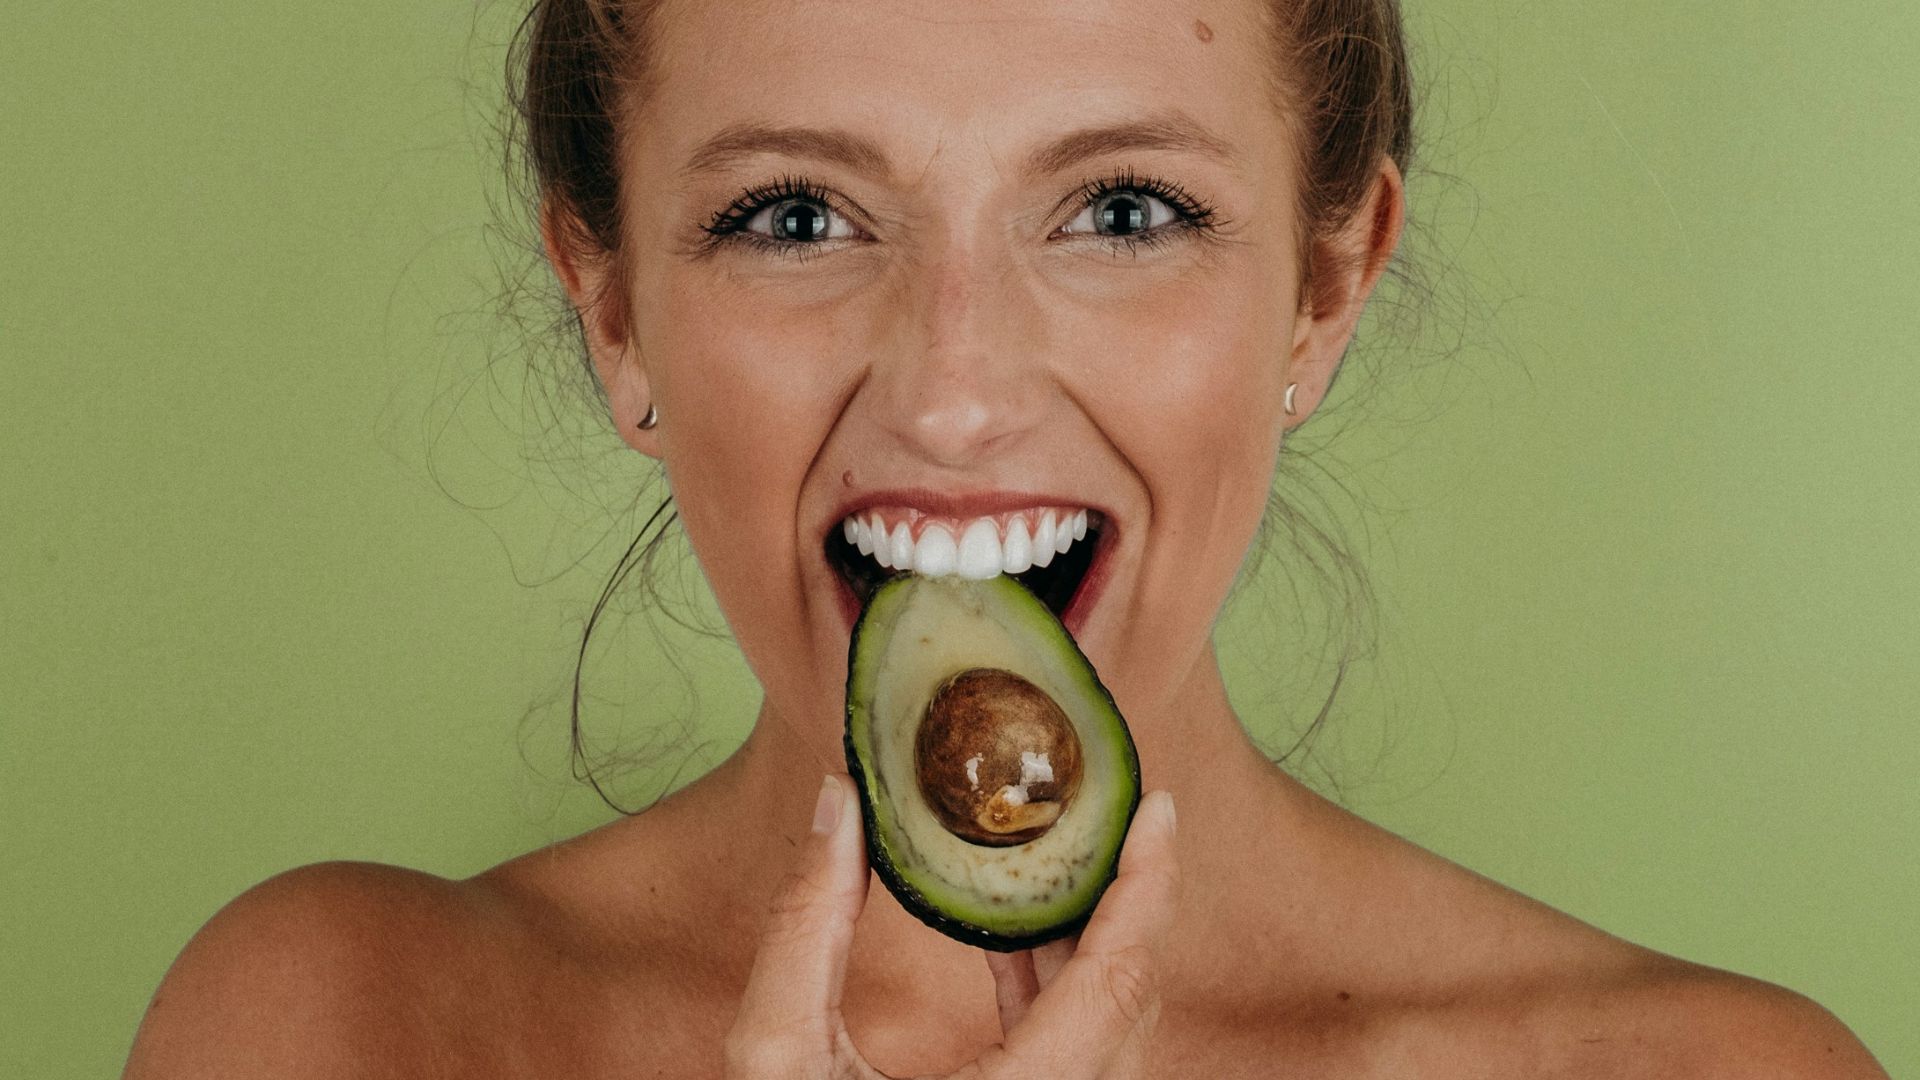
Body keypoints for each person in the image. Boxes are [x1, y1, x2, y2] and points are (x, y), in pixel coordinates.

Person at [124, 0, 1889, 1076]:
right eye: (793, 216)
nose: (954, 397)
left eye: (1123, 209)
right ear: (612, 307)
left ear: (1326, 286)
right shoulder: (335, 1032)